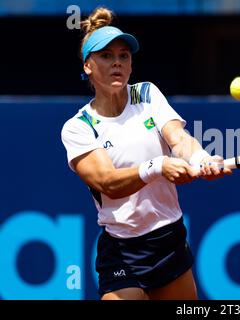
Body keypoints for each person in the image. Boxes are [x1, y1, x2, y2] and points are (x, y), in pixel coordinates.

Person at [61, 7, 231, 300]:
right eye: (106, 56)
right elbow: (107, 181)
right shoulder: (78, 127)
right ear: (88, 65)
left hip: (168, 240)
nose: (117, 63)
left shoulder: (148, 94)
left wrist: (200, 158)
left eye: (124, 56)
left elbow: (178, 138)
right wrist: (157, 166)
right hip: (122, 251)